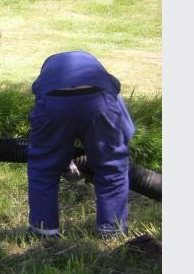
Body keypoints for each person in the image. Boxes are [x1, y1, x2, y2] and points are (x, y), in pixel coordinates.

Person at [27, 51, 136, 238]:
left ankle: (43, 231)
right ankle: (113, 231)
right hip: (99, 99)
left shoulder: (49, 75)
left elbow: (45, 131)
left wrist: (61, 157)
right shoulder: (104, 80)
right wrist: (111, 151)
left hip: (53, 99)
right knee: (112, 168)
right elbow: (126, 130)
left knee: (43, 168)